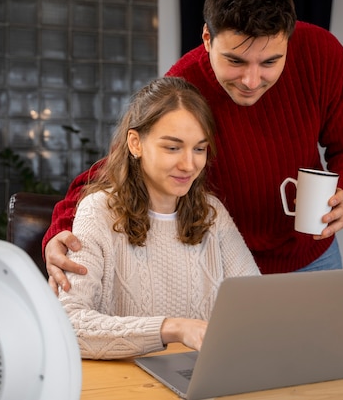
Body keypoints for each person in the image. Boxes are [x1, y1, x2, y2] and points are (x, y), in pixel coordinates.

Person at [45, 0, 343, 293]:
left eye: (270, 62)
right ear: (207, 38)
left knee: (323, 357)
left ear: (288, 41)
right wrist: (58, 231)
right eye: (235, 60)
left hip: (312, 257)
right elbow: (119, 166)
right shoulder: (184, 82)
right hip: (222, 260)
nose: (251, 80)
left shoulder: (322, 53)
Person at [58, 77, 260, 359]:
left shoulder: (212, 214)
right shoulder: (98, 211)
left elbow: (257, 306)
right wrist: (171, 328)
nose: (189, 165)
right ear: (135, 143)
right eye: (172, 148)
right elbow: (69, 325)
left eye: (199, 149)